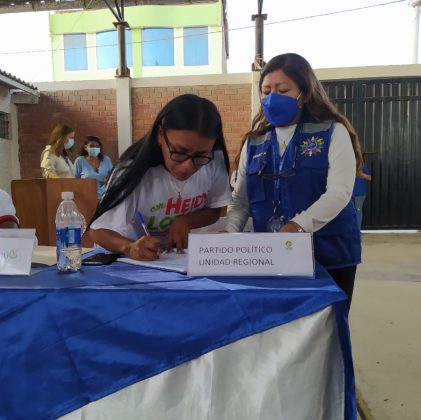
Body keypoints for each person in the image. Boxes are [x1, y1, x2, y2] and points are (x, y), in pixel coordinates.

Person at [225, 53, 363, 306]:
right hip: (273, 257)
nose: (272, 98)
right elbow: (240, 201)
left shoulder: (332, 132)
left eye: (282, 90)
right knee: (278, 323)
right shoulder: (254, 143)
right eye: (266, 91)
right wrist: (229, 233)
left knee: (327, 323)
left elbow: (340, 192)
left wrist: (297, 226)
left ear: (304, 93)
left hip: (328, 254)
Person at [89, 94, 232, 261]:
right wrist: (129, 247)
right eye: (179, 152)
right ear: (160, 136)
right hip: (130, 258)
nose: (187, 166)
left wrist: (187, 221)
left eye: (200, 155)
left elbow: (214, 209)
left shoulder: (214, 160)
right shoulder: (132, 170)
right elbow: (98, 231)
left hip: (174, 259)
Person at [352, 164, 371, 230]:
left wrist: (361, 174)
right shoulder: (347, 165)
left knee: (358, 211)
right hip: (348, 194)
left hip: (360, 194)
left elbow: (369, 178)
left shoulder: (363, 166)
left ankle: (357, 231)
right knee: (349, 212)